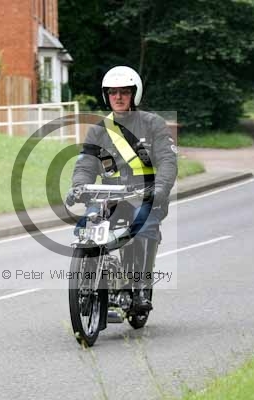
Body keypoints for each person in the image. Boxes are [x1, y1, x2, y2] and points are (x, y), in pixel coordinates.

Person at [66, 66, 178, 315]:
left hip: (144, 195)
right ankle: (90, 278)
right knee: (86, 227)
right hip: (108, 197)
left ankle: (141, 288)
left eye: (124, 92)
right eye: (113, 92)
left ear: (134, 94)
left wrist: (160, 188)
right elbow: (85, 165)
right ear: (106, 95)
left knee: (144, 225)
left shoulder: (153, 124)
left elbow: (168, 161)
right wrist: (78, 187)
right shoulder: (98, 130)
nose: (118, 97)